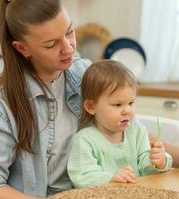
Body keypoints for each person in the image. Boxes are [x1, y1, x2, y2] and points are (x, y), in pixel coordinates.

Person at [0, 0, 179, 199]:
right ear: (22, 48)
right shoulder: (0, 106)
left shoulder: (81, 73)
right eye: (51, 44)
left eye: (69, 32)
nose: (68, 49)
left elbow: (129, 130)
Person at [67, 60, 172, 188]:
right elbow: (82, 175)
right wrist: (110, 179)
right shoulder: (85, 140)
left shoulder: (137, 131)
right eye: (117, 105)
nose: (127, 111)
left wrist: (157, 161)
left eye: (131, 103)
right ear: (91, 107)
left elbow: (146, 169)